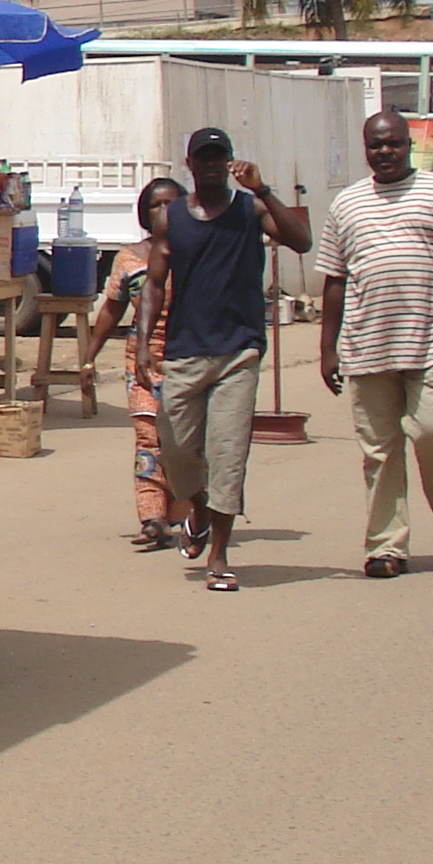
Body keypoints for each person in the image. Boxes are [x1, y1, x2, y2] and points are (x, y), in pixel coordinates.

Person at [316, 107, 433, 578]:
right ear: (365, 149)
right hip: (366, 349)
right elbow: (334, 279)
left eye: (393, 143)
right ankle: (386, 547)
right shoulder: (347, 204)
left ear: (409, 145)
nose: (385, 152)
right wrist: (328, 349)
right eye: (376, 145)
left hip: (430, 344)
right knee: (379, 453)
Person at [143, 126, 312, 592]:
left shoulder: (250, 209)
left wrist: (264, 189)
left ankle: (219, 555)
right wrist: (142, 343)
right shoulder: (172, 218)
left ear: (231, 162)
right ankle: (197, 507)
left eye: (220, 157)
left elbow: (301, 241)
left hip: (238, 351)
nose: (213, 165)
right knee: (176, 451)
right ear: (190, 165)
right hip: (184, 351)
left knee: (228, 455)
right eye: (205, 157)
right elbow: (154, 283)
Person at [81, 176, 187, 549]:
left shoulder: (196, 251)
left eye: (171, 204)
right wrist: (89, 357)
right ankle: (152, 518)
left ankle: (184, 512)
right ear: (144, 213)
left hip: (190, 355)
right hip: (143, 358)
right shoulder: (129, 258)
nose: (164, 211)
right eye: (156, 205)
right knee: (149, 438)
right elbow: (112, 309)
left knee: (185, 441)